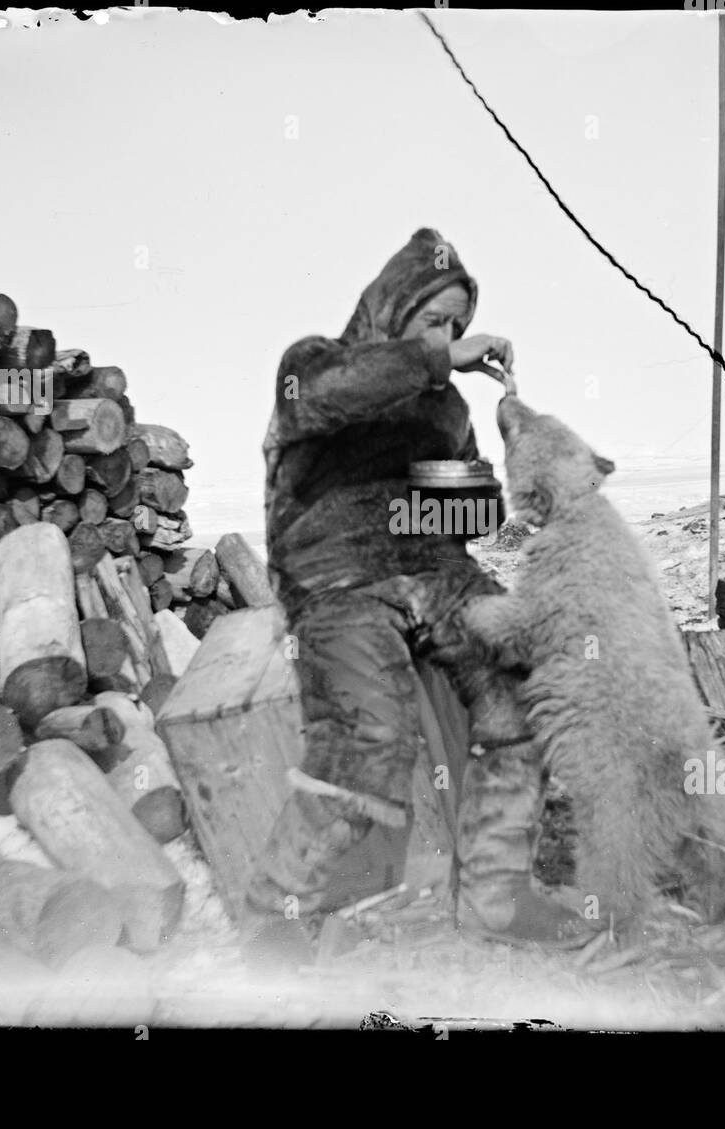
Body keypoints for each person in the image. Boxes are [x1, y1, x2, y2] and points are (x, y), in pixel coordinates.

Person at [241, 228, 596, 965]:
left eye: (458, 327)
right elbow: (325, 398)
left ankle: (497, 896)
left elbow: (471, 522)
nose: (451, 339)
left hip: (434, 574)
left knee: (523, 684)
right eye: (435, 321)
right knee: (370, 734)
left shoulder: (448, 414)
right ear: (392, 310)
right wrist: (437, 360)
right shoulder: (312, 363)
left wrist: (496, 470)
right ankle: (273, 907)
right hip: (337, 576)